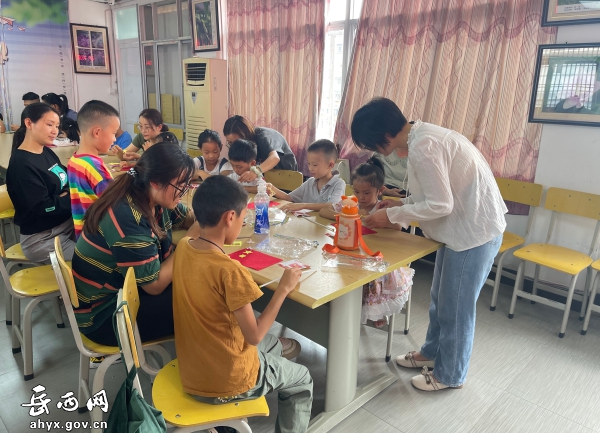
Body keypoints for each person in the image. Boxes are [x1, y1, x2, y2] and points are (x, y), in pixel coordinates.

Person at [352, 97, 506, 392]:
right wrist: (400, 203)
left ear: (385, 135)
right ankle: (432, 352)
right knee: (440, 299)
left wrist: (392, 215)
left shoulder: (424, 146)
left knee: (456, 308)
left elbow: (440, 204)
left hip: (473, 233)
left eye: (372, 143)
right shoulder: (421, 137)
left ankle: (450, 374)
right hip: (461, 228)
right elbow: (437, 194)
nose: (375, 151)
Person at [172, 175, 313, 433]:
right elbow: (254, 335)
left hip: (192, 367)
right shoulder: (229, 271)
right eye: (242, 217)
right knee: (303, 378)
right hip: (226, 381)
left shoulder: (183, 247)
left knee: (274, 346)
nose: (243, 223)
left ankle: (227, 420)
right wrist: (283, 289)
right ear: (229, 218)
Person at [72, 143, 197, 347]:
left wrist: (206, 214)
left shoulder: (148, 194)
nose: (183, 192)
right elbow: (154, 286)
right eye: (180, 186)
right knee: (204, 299)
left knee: (199, 284)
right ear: (156, 182)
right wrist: (188, 241)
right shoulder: (127, 216)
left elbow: (186, 218)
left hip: (124, 293)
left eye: (187, 185)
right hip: (105, 315)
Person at [320, 157, 412, 327]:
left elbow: (398, 226)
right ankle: (344, 306)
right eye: (356, 191)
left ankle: (376, 309)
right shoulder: (350, 203)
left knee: (373, 273)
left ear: (380, 190)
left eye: (367, 193)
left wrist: (378, 219)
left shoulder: (383, 208)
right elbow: (325, 211)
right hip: (352, 251)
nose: (361, 197)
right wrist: (348, 214)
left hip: (378, 255)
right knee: (336, 266)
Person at [6, 103, 75, 262]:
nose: (55, 131)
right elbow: (43, 207)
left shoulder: (45, 151)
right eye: (49, 124)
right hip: (43, 239)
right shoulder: (22, 165)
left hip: (64, 224)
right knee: (97, 259)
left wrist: (65, 193)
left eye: (57, 126)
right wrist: (70, 196)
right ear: (29, 123)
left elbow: (65, 177)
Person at [67, 100, 120, 239]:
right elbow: (117, 205)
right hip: (99, 239)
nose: (115, 139)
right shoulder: (94, 167)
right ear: (97, 132)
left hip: (84, 236)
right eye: (114, 133)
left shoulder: (75, 160)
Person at [269, 139, 345, 212]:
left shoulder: (338, 184)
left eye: (315, 165)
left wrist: (304, 205)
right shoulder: (310, 182)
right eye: (308, 163)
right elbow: (288, 198)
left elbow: (333, 206)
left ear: (330, 165)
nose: (310, 168)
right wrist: (271, 187)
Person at [223, 115, 298, 184]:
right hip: (268, 175)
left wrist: (256, 171)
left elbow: (275, 158)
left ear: (245, 136)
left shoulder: (264, 137)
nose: (235, 146)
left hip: (286, 174)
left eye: (237, 142)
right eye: (230, 142)